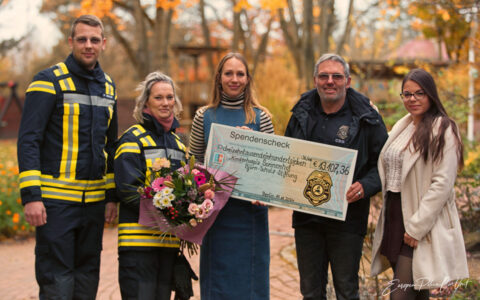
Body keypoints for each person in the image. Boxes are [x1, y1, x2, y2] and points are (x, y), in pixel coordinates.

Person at [17, 15, 118, 299]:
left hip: (94, 207)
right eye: (82, 39)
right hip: (55, 205)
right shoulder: (47, 81)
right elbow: (28, 141)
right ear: (70, 41)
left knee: (87, 279)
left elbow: (110, 148)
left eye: (94, 40)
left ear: (104, 44)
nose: (89, 45)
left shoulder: (109, 87)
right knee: (57, 282)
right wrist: (31, 196)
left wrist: (111, 196)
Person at [284, 53, 388, 300]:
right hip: (306, 219)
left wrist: (365, 185)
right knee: (310, 292)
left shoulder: (367, 118)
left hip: (348, 219)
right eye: (324, 76)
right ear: (315, 80)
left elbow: (384, 164)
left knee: (346, 289)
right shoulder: (300, 113)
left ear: (348, 81)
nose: (330, 81)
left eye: (336, 76)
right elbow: (285, 157)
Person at [371, 68, 469, 299]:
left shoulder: (444, 129)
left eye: (419, 93)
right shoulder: (401, 127)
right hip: (395, 215)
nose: (412, 99)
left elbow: (442, 184)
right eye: (407, 94)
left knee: (401, 295)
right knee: (417, 294)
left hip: (419, 222)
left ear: (431, 95)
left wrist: (417, 226)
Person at [188, 52, 274, 300]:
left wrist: (252, 143)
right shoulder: (203, 116)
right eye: (229, 73)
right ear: (219, 78)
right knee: (219, 281)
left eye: (240, 74)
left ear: (248, 79)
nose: (234, 79)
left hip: (251, 216)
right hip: (216, 215)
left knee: (251, 282)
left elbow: (271, 171)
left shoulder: (262, 117)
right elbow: (192, 163)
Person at [114, 71, 187, 299]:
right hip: (138, 245)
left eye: (169, 97)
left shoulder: (179, 145)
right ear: (146, 102)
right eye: (158, 97)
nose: (165, 103)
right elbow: (127, 190)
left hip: (168, 246)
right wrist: (168, 214)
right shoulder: (132, 139)